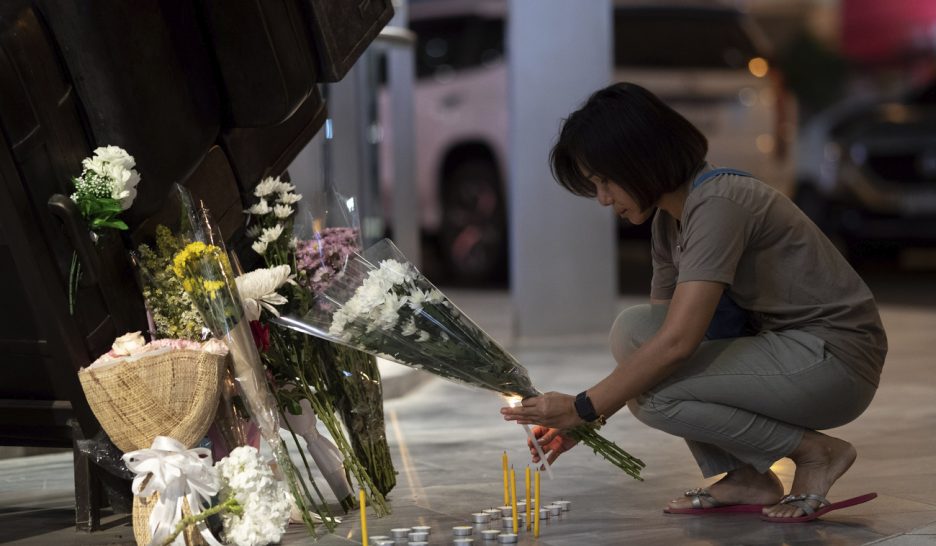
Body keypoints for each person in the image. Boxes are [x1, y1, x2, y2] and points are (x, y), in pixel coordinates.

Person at [500, 82, 887, 523]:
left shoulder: (719, 202)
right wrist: (587, 418)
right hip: (790, 351)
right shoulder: (671, 221)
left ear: (639, 159)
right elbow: (657, 339)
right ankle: (748, 477)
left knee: (655, 396)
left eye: (605, 181)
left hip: (835, 361)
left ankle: (817, 454)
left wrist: (583, 407)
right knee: (634, 332)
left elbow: (678, 344)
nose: (604, 199)